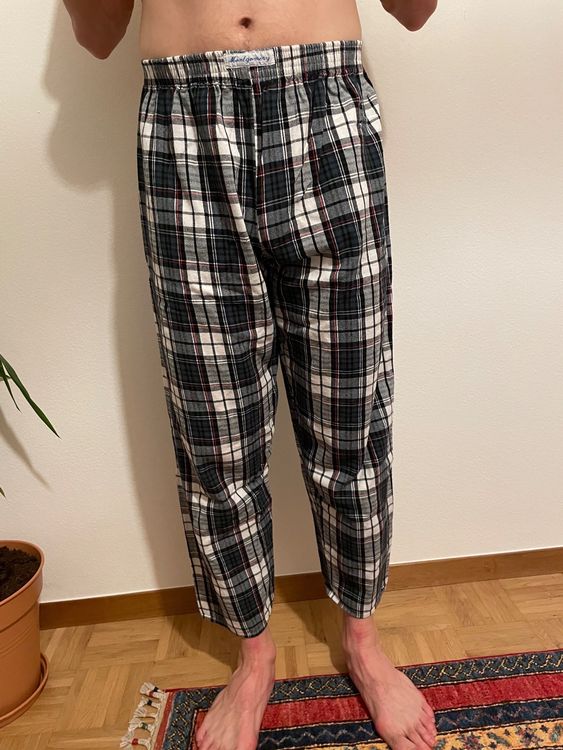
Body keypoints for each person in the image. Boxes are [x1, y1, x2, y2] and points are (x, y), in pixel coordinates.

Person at [63, 2, 439, 749]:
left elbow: (415, 11)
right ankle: (253, 655)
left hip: (324, 104)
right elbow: (97, 36)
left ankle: (362, 641)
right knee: (215, 432)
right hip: (184, 115)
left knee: (350, 415)